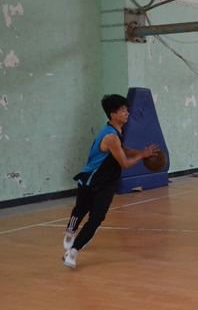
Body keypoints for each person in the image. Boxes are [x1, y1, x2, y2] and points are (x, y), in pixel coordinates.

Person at [62, 94, 159, 269]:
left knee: (97, 218)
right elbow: (124, 163)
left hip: (107, 184)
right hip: (91, 179)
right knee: (80, 210)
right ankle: (70, 230)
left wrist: (142, 152)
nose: (127, 113)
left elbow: (122, 149)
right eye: (123, 110)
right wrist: (141, 156)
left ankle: (73, 252)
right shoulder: (110, 136)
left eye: (127, 110)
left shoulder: (119, 131)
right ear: (113, 115)